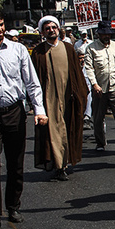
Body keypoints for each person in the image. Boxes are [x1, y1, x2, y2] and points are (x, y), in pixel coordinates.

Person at [0, 8, 47, 229]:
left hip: (15, 112)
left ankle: (13, 206)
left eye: (1, 25)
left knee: (16, 163)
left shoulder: (18, 50)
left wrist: (39, 110)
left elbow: (32, 83)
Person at [30, 16, 89, 181]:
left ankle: (64, 162)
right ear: (43, 32)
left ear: (58, 29)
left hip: (69, 97)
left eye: (53, 27)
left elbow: (77, 74)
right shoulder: (38, 52)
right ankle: (59, 166)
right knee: (55, 131)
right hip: (49, 99)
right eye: (47, 28)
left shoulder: (69, 49)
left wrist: (81, 95)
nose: (51, 30)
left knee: (68, 128)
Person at [84, 20, 115, 155]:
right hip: (100, 87)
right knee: (98, 117)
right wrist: (94, 84)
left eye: (109, 34)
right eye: (104, 34)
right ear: (99, 34)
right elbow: (89, 68)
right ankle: (100, 142)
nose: (107, 37)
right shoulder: (91, 48)